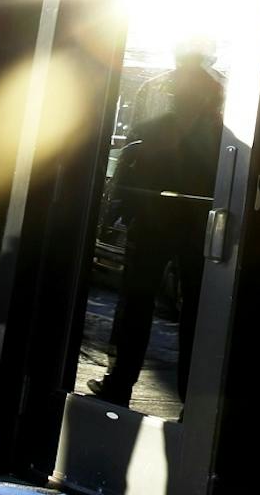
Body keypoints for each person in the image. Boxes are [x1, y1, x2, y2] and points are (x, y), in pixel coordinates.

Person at [85, 54, 223, 408]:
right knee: (196, 311)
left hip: (152, 224)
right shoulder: (221, 138)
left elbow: (127, 175)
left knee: (136, 303)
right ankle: (194, 398)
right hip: (198, 228)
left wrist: (120, 214)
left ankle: (119, 382)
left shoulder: (152, 128)